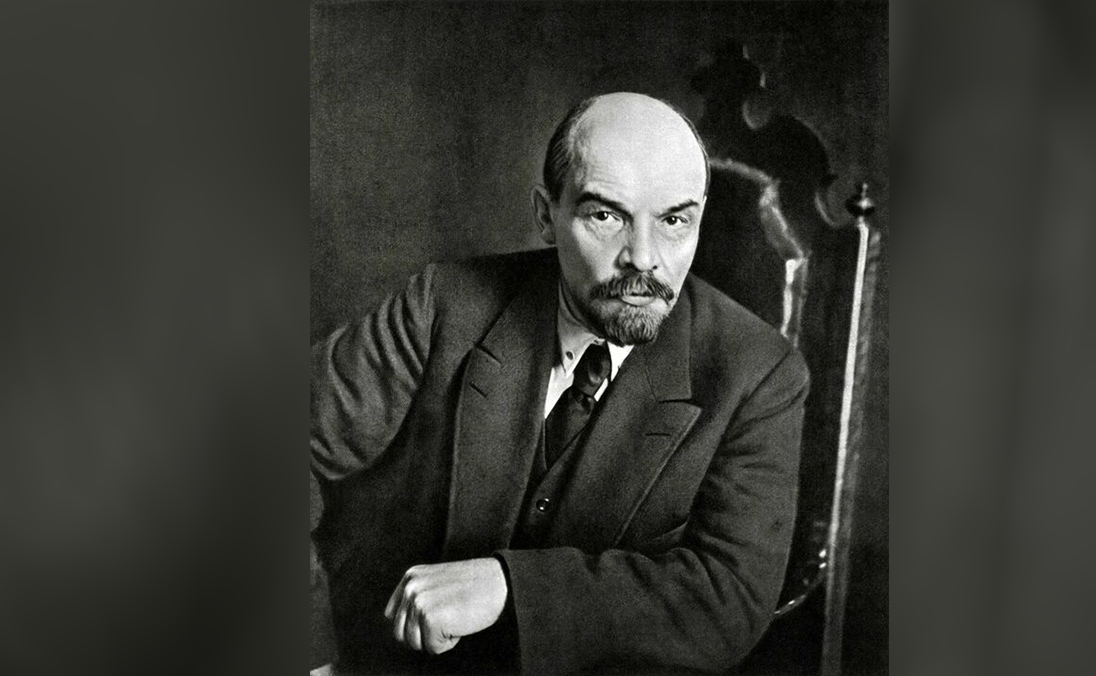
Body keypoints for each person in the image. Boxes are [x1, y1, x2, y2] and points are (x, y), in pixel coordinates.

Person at [310, 92, 809, 675]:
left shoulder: (758, 374)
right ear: (546, 215)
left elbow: (726, 599)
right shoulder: (443, 305)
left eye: (674, 221)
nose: (643, 259)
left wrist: (509, 587)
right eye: (606, 216)